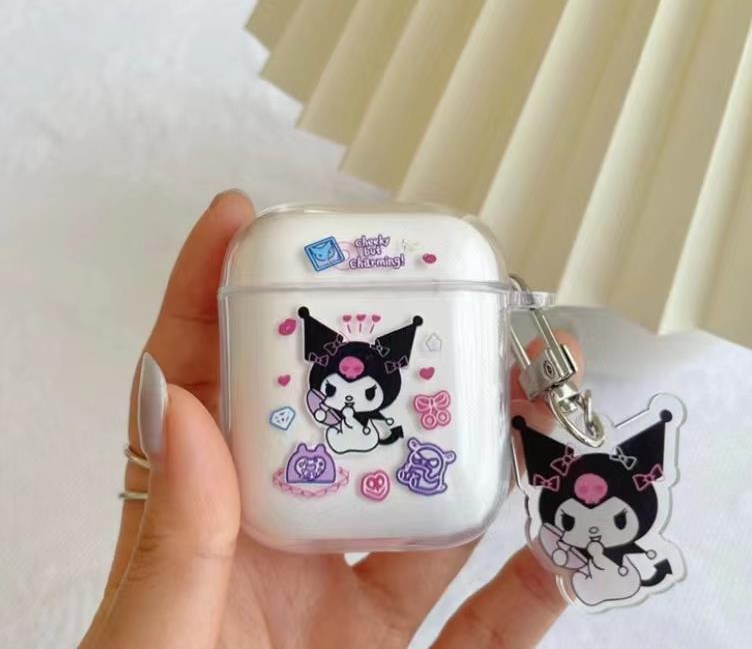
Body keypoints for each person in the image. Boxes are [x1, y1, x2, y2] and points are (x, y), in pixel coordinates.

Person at [81, 190, 575, 648]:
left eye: (365, 391)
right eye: (336, 388)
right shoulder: (288, 257)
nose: (348, 396)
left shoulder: (448, 253)